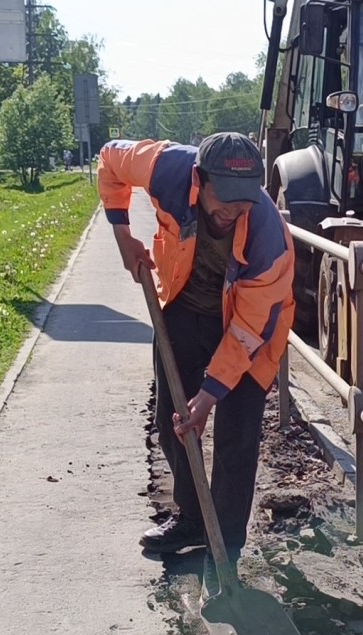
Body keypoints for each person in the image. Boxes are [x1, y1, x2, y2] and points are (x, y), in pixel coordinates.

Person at [98, 132, 295, 569]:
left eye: (244, 202)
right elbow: (110, 161)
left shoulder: (269, 239)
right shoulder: (165, 169)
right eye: (224, 199)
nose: (233, 212)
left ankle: (225, 545)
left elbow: (247, 331)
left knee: (237, 431)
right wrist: (122, 234)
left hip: (252, 328)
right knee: (174, 419)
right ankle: (190, 517)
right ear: (198, 180)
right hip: (187, 303)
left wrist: (209, 395)